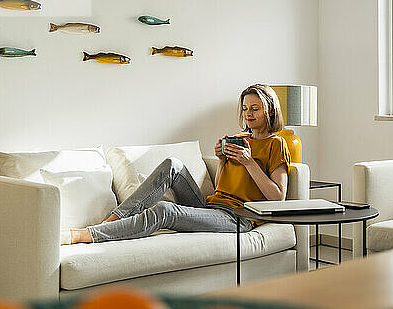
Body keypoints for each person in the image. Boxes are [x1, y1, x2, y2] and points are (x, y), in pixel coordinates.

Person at [68, 84, 291, 244]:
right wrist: (223, 161)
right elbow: (223, 187)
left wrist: (249, 163)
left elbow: (278, 197)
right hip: (212, 206)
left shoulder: (276, 144)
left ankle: (89, 235)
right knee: (172, 164)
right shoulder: (240, 140)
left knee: (164, 210)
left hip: (239, 218)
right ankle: (114, 219)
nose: (248, 114)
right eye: (245, 108)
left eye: (255, 108)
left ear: (269, 110)